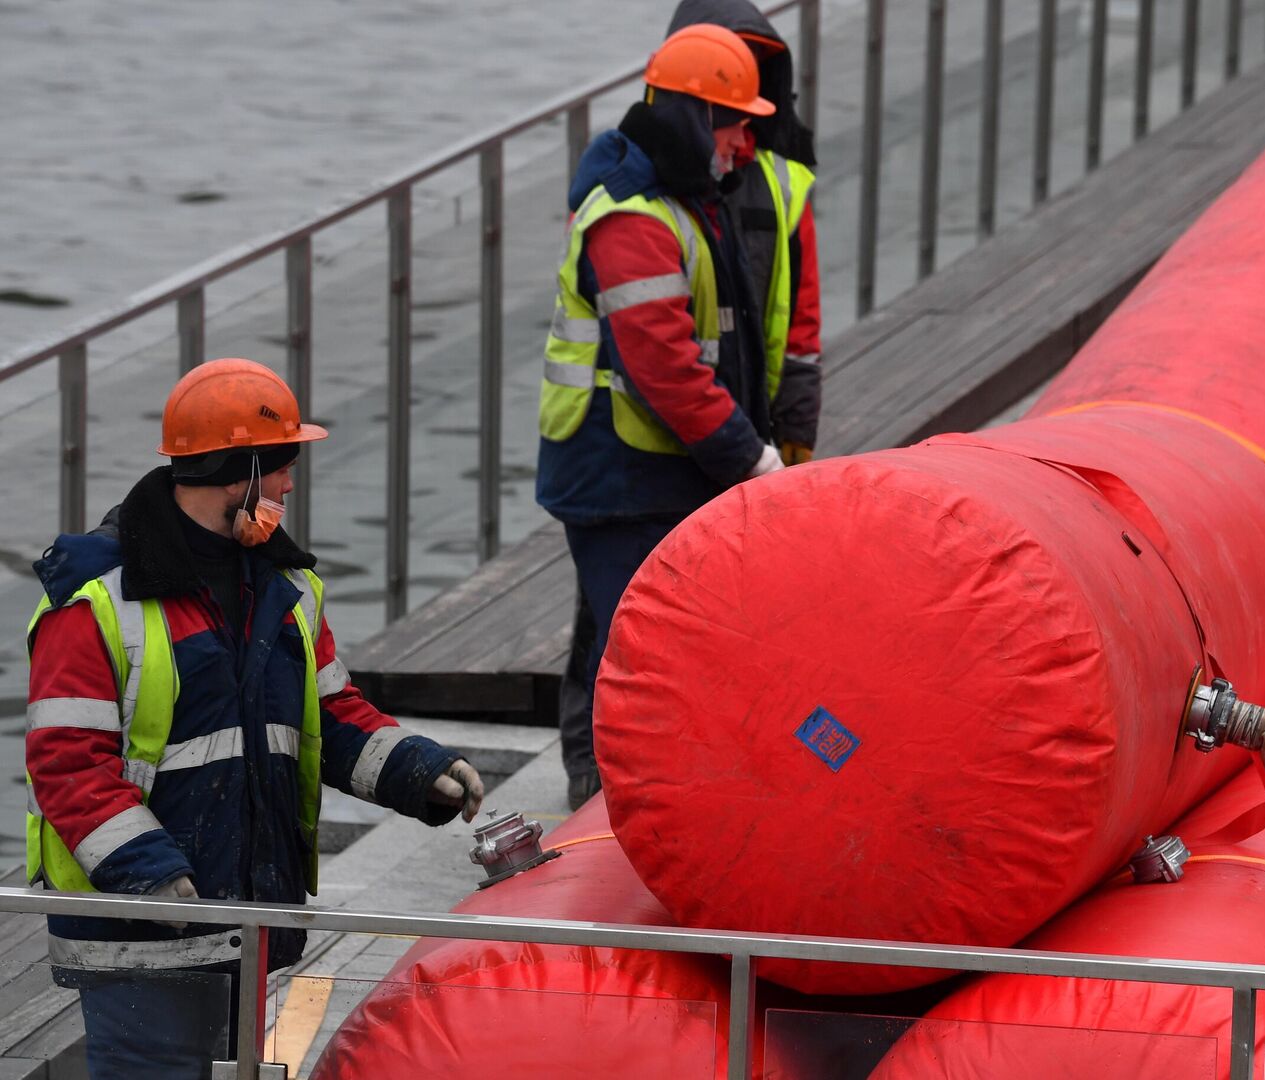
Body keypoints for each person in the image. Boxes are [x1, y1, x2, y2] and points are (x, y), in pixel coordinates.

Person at [24, 358, 486, 1076]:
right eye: (278, 467)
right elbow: (65, 764)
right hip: (139, 935)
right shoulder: (94, 604)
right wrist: (152, 876)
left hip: (244, 919)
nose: (289, 486)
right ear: (234, 471)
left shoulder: (286, 588)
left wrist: (419, 772)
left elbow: (330, 716)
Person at [553, 8, 823, 810]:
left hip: (669, 470)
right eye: (735, 127)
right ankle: (611, 812)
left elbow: (770, 331)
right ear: (695, 117)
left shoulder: (689, 192)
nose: (747, 144)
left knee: (651, 642)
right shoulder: (633, 215)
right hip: (624, 474)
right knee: (638, 654)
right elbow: (665, 367)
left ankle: (644, 798)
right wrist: (754, 459)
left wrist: (774, 445)